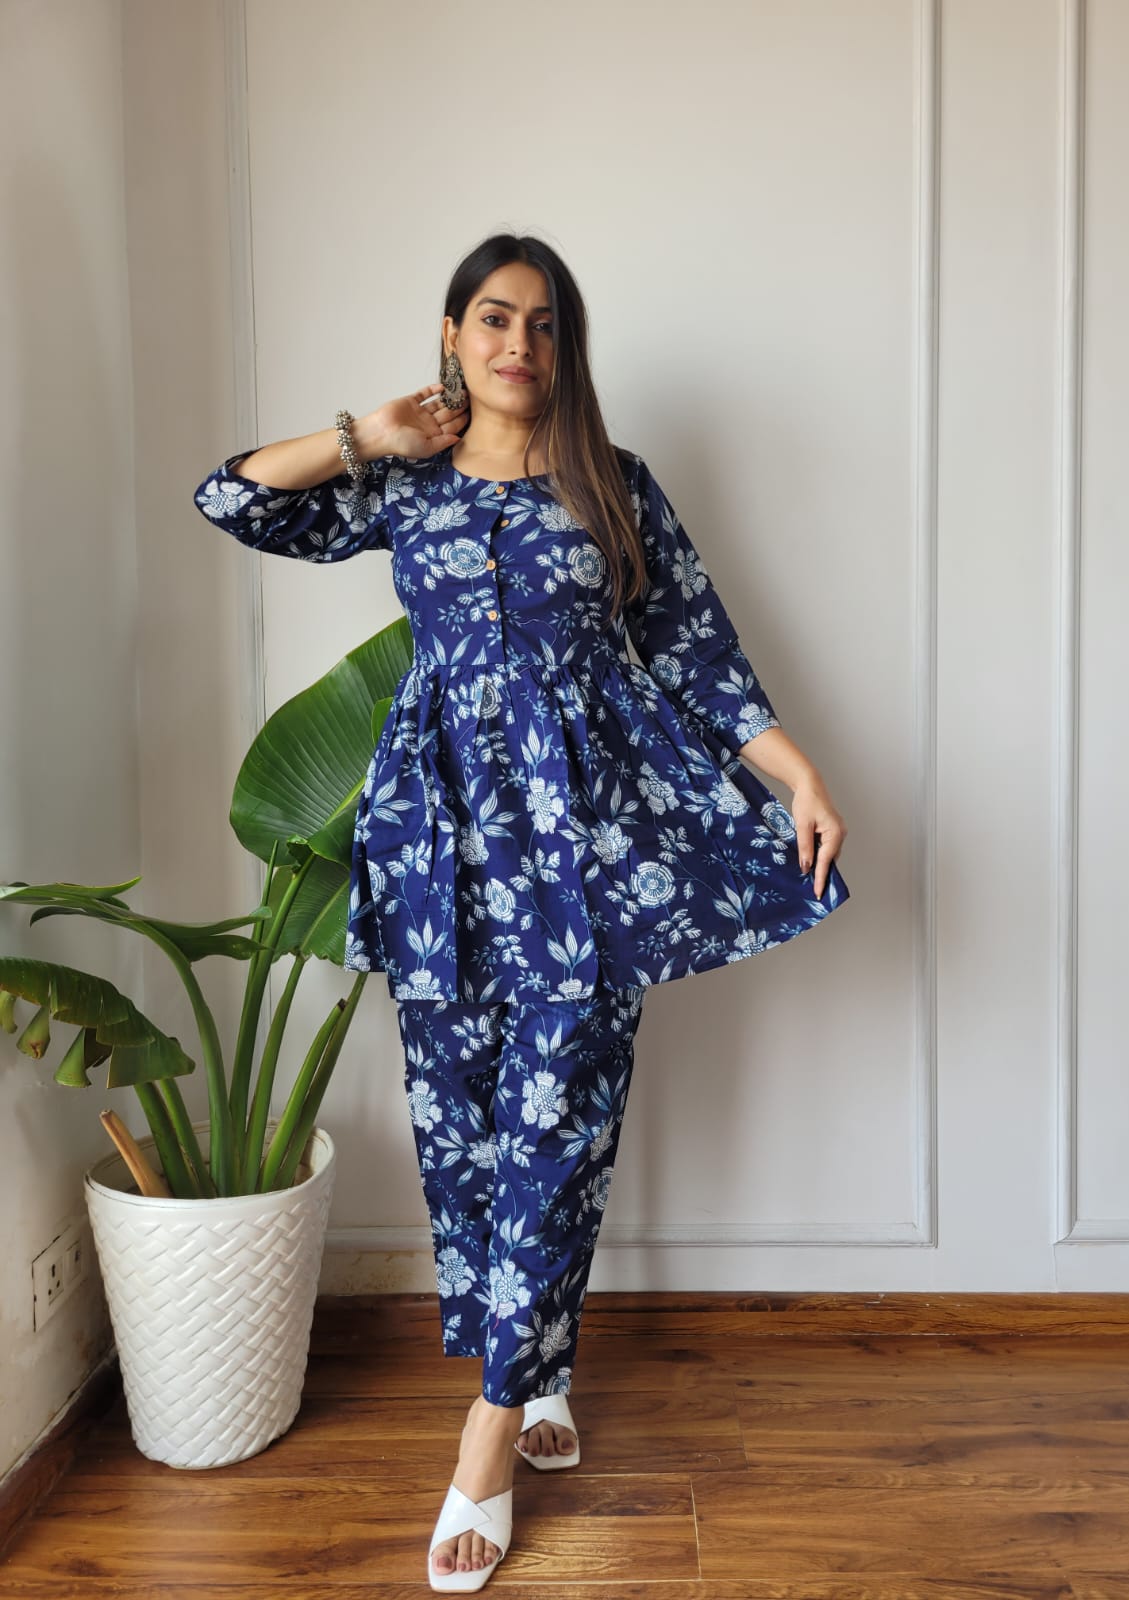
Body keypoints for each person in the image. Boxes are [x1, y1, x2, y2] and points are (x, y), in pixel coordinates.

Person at [193, 232, 849, 1591]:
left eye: (545, 325)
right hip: (435, 853)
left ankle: (489, 1434)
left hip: (585, 852)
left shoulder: (613, 483)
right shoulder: (407, 482)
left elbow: (696, 646)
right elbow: (230, 499)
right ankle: (536, 1363)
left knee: (560, 1118)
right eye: (496, 318)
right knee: (467, 1130)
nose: (520, 346)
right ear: (453, 333)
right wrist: (364, 434)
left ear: (567, 347)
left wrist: (796, 773)